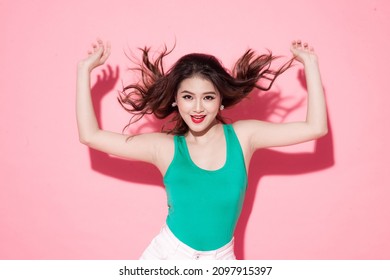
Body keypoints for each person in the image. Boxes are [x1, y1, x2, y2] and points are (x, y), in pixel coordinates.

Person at [76, 38, 328, 260]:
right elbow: (91, 136)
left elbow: (315, 128)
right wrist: (83, 71)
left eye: (208, 97)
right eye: (188, 97)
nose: (197, 108)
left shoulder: (243, 137)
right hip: (166, 257)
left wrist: (311, 65)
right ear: (175, 99)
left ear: (220, 100)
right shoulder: (163, 148)